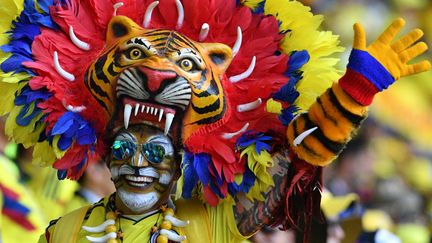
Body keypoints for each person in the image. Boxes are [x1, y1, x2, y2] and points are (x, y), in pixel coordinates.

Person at [0, 0, 429, 242]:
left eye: (155, 152)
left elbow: (293, 168)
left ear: (176, 167)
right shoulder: (66, 232)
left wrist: (354, 92)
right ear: (106, 160)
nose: (137, 161)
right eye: (123, 149)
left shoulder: (212, 222)